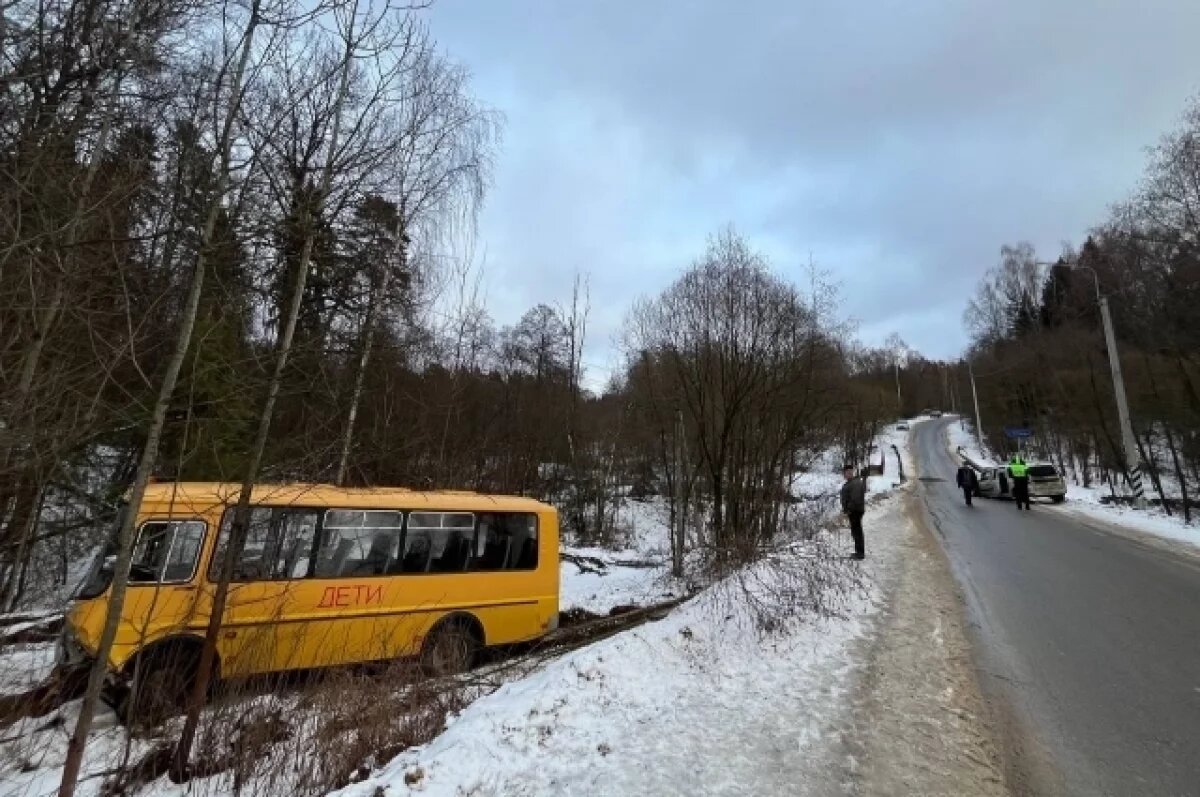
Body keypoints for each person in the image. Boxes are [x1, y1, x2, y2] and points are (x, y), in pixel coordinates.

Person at [840, 466, 867, 559]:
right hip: (855, 510)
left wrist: (848, 509)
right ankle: (859, 552)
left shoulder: (855, 483)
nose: (849, 474)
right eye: (847, 472)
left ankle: (860, 553)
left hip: (855, 510)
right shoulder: (852, 482)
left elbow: (855, 499)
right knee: (856, 531)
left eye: (850, 472)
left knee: (857, 531)